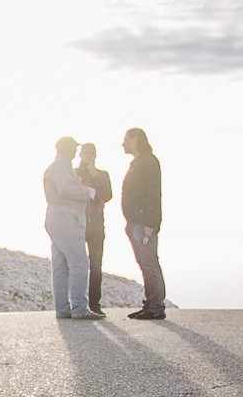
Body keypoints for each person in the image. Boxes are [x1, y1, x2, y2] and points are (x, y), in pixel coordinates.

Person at [42, 136, 100, 319]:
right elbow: (66, 189)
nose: (76, 152)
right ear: (68, 149)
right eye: (75, 148)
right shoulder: (61, 165)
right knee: (79, 263)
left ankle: (62, 308)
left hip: (56, 217)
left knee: (60, 265)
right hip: (66, 218)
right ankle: (79, 308)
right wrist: (88, 193)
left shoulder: (56, 166)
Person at [121, 127, 165, 320]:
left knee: (149, 263)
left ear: (136, 139)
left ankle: (156, 307)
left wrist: (151, 222)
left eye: (126, 139)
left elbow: (154, 193)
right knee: (144, 263)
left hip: (143, 223)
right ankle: (150, 304)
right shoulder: (137, 163)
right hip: (134, 222)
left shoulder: (148, 162)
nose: (123, 144)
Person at [78, 142, 113, 314]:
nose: (89, 156)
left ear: (96, 156)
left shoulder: (103, 175)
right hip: (77, 225)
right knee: (76, 265)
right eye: (86, 153)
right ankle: (77, 303)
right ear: (80, 155)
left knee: (96, 267)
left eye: (92, 153)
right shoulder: (73, 173)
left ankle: (95, 304)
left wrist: (95, 177)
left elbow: (107, 196)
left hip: (97, 227)